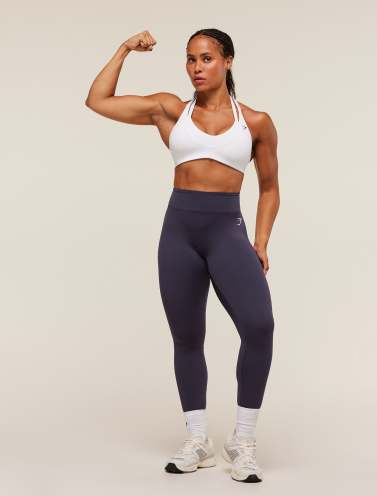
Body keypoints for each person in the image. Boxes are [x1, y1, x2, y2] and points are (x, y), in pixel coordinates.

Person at [85, 27, 280, 483]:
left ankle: (243, 441)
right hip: (179, 235)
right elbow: (97, 100)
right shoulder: (170, 109)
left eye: (207, 58)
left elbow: (270, 187)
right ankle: (197, 439)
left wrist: (261, 242)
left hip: (227, 231)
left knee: (259, 326)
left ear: (228, 61)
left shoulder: (255, 122)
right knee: (188, 337)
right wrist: (124, 49)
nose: (196, 67)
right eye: (190, 59)